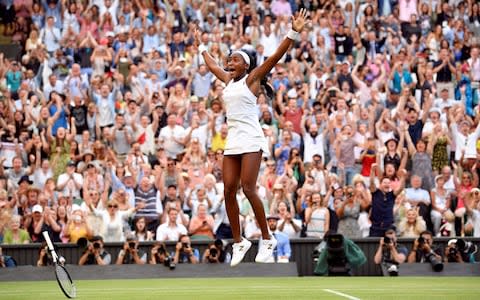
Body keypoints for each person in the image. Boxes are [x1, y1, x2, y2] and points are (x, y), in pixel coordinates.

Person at [193, 8, 308, 266]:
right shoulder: (228, 81)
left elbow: (276, 57)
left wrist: (293, 32)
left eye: (234, 59)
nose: (228, 62)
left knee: (248, 188)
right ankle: (239, 242)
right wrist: (200, 47)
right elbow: (211, 65)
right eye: (229, 60)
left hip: (252, 139)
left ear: (246, 65)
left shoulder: (252, 79)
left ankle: (267, 239)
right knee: (228, 190)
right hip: (233, 140)